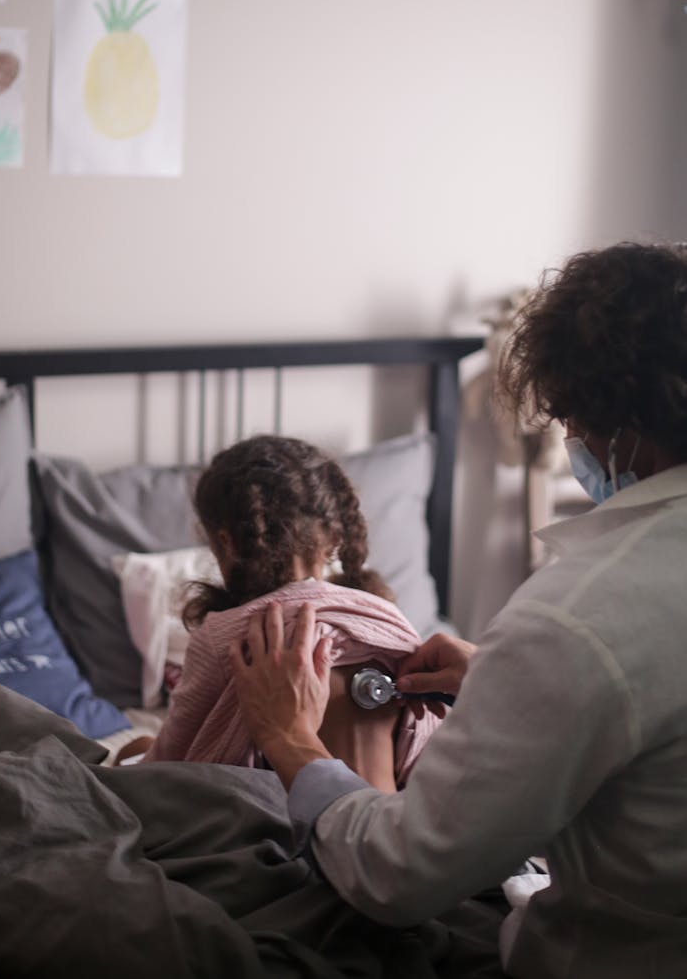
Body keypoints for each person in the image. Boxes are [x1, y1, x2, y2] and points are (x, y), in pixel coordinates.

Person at [229, 241, 687, 979]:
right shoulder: (579, 629)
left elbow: (398, 873)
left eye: (568, 420)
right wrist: (511, 682)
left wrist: (290, 739)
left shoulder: (576, 616)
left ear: (617, 425)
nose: (568, 441)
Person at [141, 433, 440, 791]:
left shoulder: (227, 639)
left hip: (294, 835)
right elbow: (427, 750)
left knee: (136, 747)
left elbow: (172, 760)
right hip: (392, 825)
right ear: (334, 536)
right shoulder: (390, 624)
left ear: (225, 543)